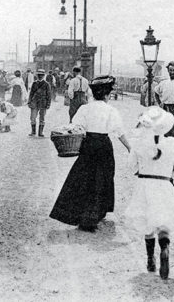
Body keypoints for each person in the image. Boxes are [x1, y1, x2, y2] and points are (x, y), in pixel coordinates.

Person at [50, 75, 131, 232]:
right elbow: (119, 132)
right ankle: (97, 214)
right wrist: (129, 147)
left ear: (93, 94)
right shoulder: (111, 110)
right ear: (107, 94)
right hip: (103, 145)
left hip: (88, 145)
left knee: (84, 177)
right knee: (103, 177)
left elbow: (75, 127)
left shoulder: (84, 108)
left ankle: (80, 214)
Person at [124, 106, 174, 279]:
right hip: (164, 184)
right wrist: (168, 165)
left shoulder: (139, 144)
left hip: (144, 184)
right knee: (164, 220)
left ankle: (150, 259)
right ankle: (164, 247)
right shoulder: (171, 144)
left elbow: (130, 166)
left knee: (147, 221)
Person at [27, 69, 51, 137]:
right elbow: (31, 93)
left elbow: (49, 95)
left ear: (43, 76)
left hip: (43, 102)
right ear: (37, 75)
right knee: (33, 118)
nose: (40, 76)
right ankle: (33, 131)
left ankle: (40, 133)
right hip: (34, 102)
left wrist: (48, 104)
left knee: (42, 118)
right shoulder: (34, 83)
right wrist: (29, 102)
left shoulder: (46, 84)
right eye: (38, 75)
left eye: (41, 75)